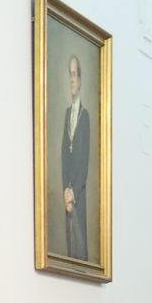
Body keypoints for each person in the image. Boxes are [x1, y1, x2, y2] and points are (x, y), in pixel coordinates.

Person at [60, 53, 93, 264]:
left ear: (80, 80)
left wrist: (74, 192)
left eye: (75, 75)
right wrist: (65, 189)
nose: (72, 79)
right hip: (68, 194)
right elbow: (64, 153)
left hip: (78, 194)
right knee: (70, 247)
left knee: (80, 248)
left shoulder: (85, 116)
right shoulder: (66, 114)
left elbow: (84, 162)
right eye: (69, 75)